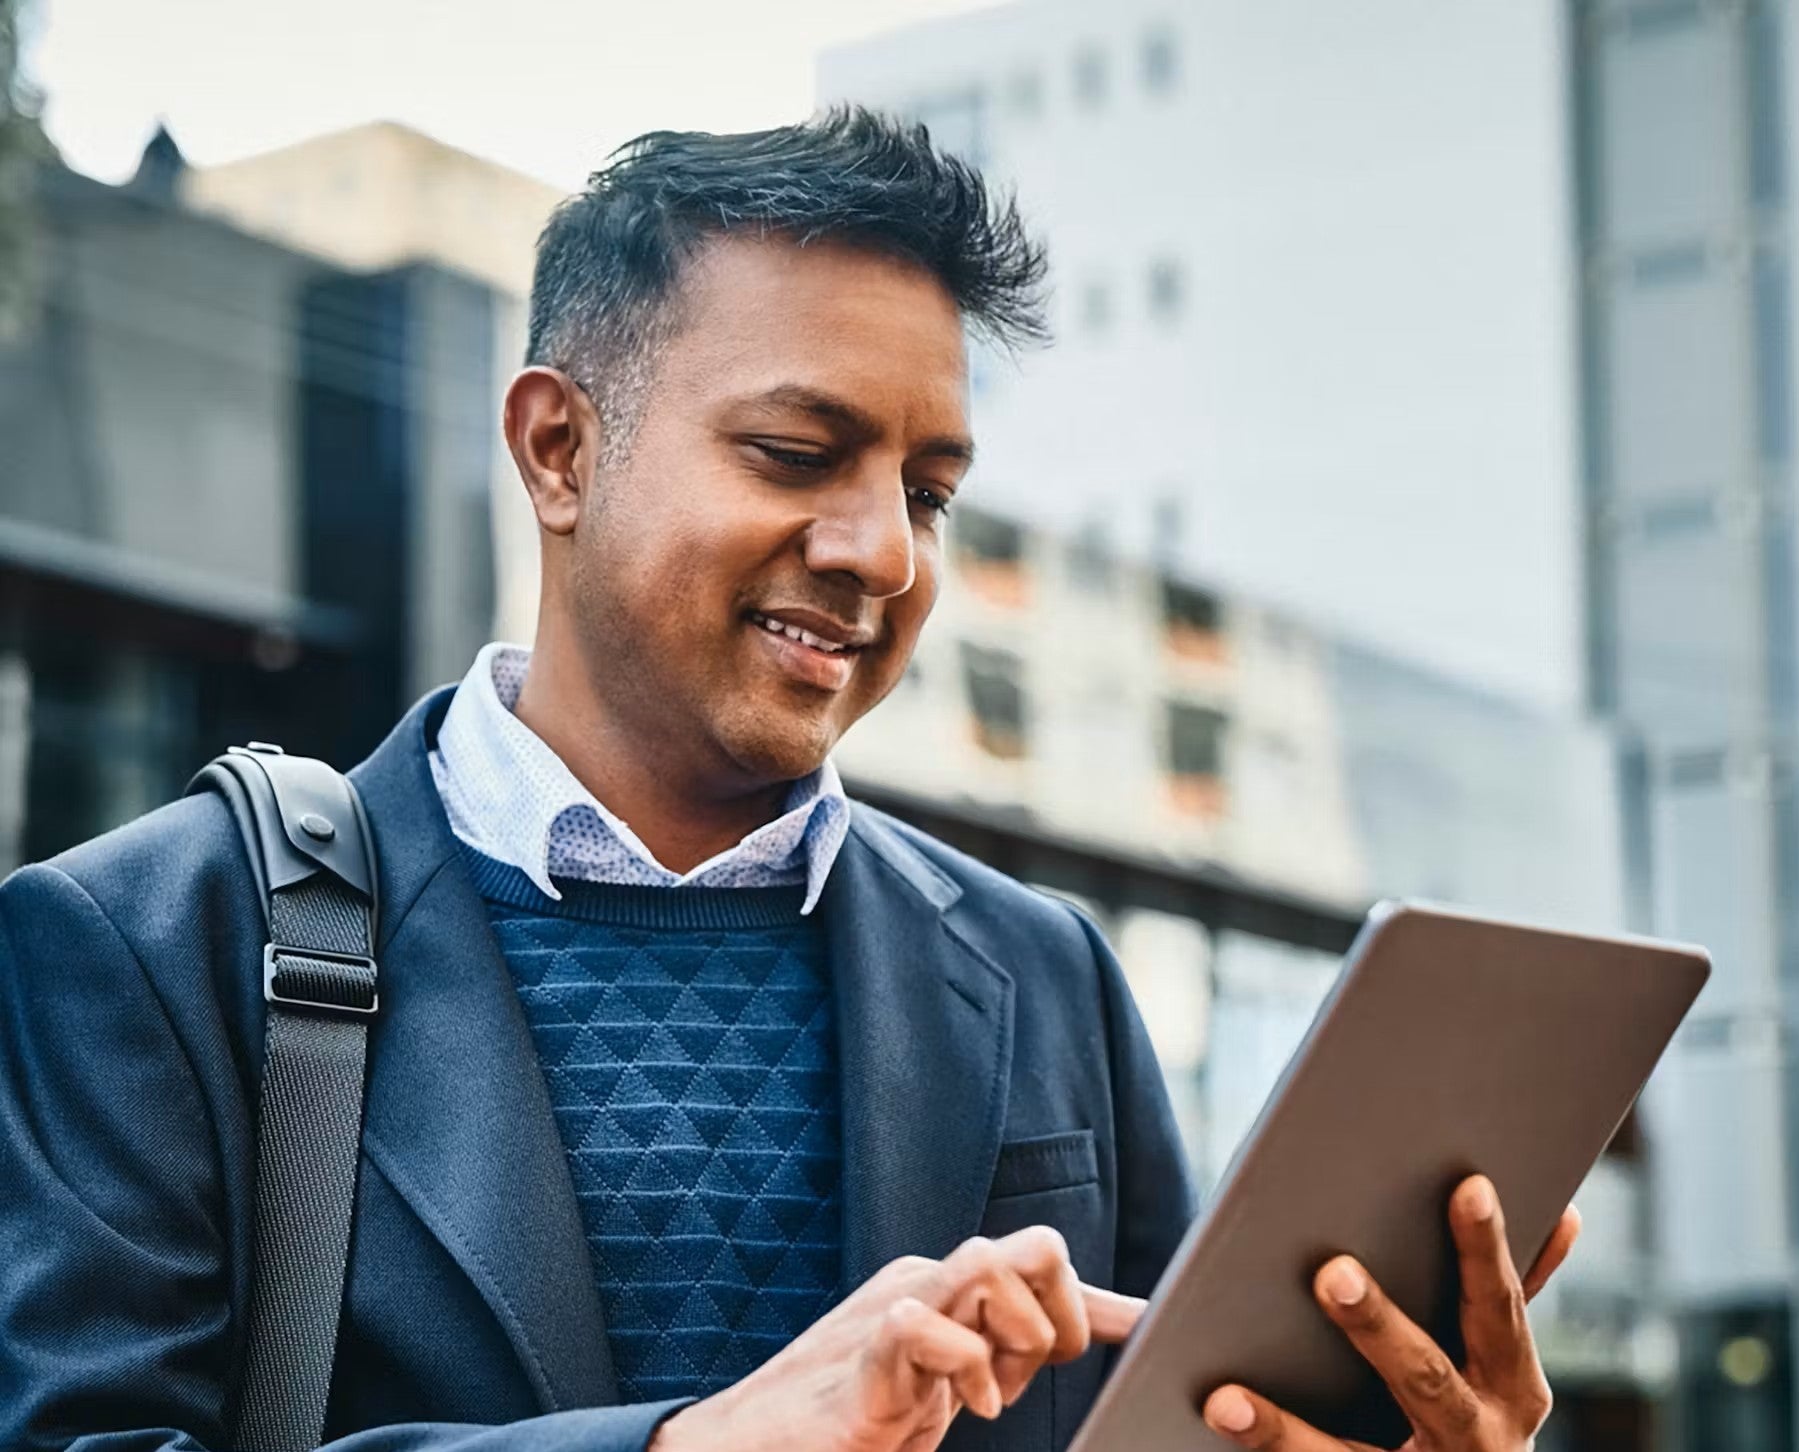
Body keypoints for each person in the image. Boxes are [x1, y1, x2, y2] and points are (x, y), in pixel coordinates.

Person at [0, 109, 1580, 1452]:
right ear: (557, 450)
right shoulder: (139, 943)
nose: (881, 551)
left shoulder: (1046, 978)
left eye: (929, 490)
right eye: (797, 452)